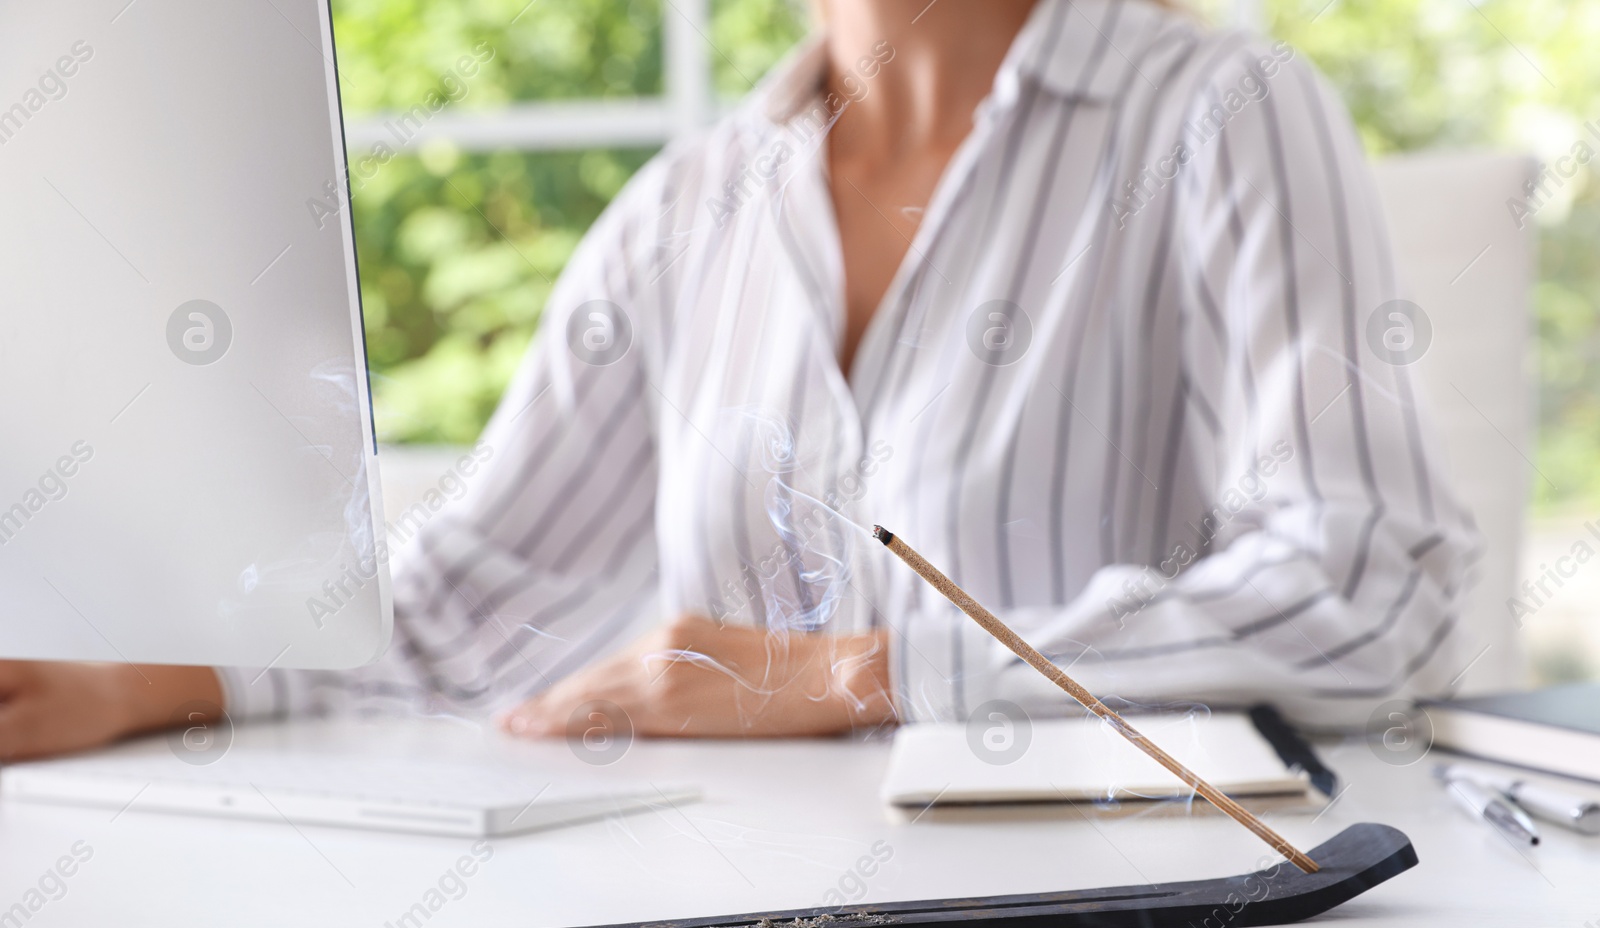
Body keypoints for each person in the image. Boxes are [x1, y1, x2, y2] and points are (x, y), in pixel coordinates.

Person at [0, 0, 1477, 760]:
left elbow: (1365, 594)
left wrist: (850, 677)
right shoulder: (687, 208)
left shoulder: (1223, 113)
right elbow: (463, 609)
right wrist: (136, 683)